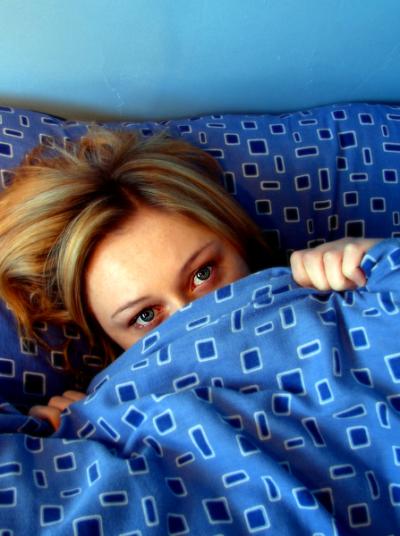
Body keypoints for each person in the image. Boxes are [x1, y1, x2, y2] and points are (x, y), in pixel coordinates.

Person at [0, 127, 380, 428]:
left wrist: (375, 262)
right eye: (145, 316)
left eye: (203, 274)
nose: (195, 320)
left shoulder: (332, 296)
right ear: (111, 343)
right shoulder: (108, 418)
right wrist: (79, 438)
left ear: (238, 241)